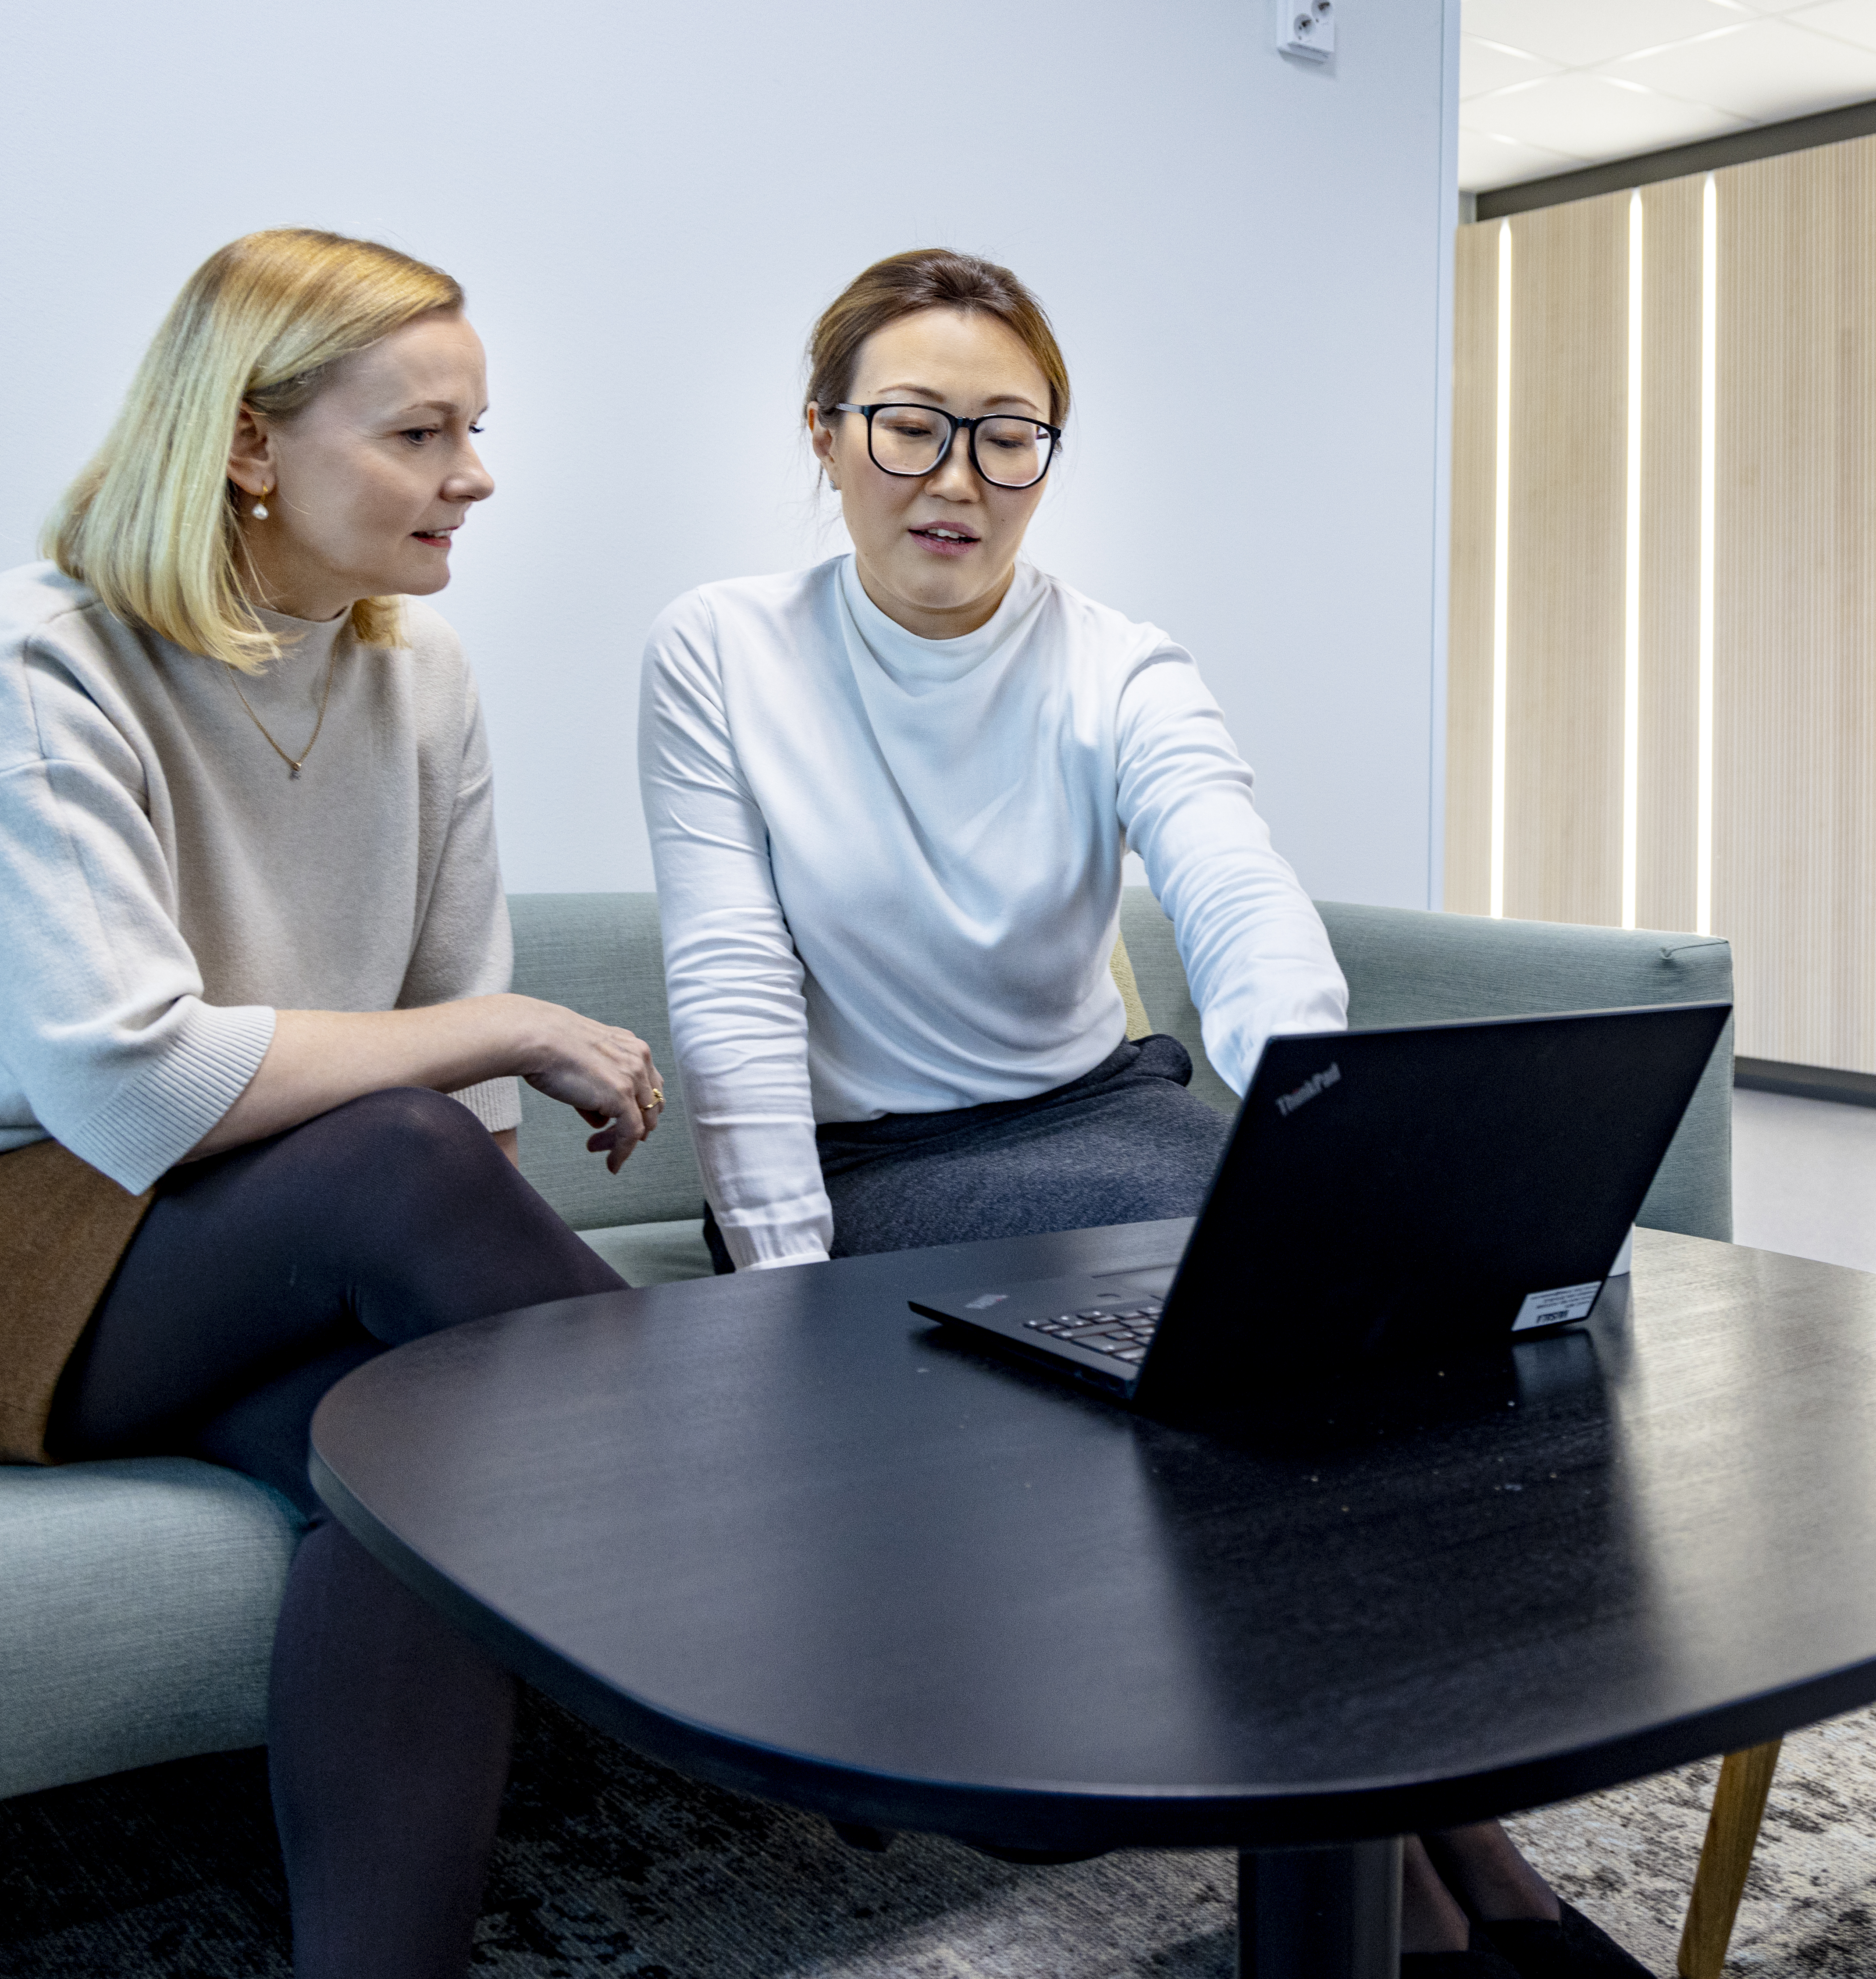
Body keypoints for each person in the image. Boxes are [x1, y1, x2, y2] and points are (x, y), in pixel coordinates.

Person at [637, 246, 1649, 1979]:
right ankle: (1450, 1901)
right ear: (822, 435)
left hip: (1105, 1118)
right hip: (880, 1173)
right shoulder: (720, 650)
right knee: (1228, 1395)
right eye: (909, 425)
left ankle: (1440, 1863)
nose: (957, 476)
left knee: (1351, 1338)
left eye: (1008, 434)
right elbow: (729, 979)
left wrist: (1315, 1138)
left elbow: (1232, 884)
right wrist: (781, 1296)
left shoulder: (1115, 659)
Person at [0, 229, 659, 1979]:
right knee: (396, 1150)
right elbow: (132, 1075)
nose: (475, 474)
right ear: (246, 444)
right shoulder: (20, 660)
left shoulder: (422, 677)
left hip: (193, 1251)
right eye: (421, 433)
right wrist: (508, 1031)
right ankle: (753, 1521)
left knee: (412, 1460)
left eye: (475, 429)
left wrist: (476, 1087)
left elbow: (460, 1072)